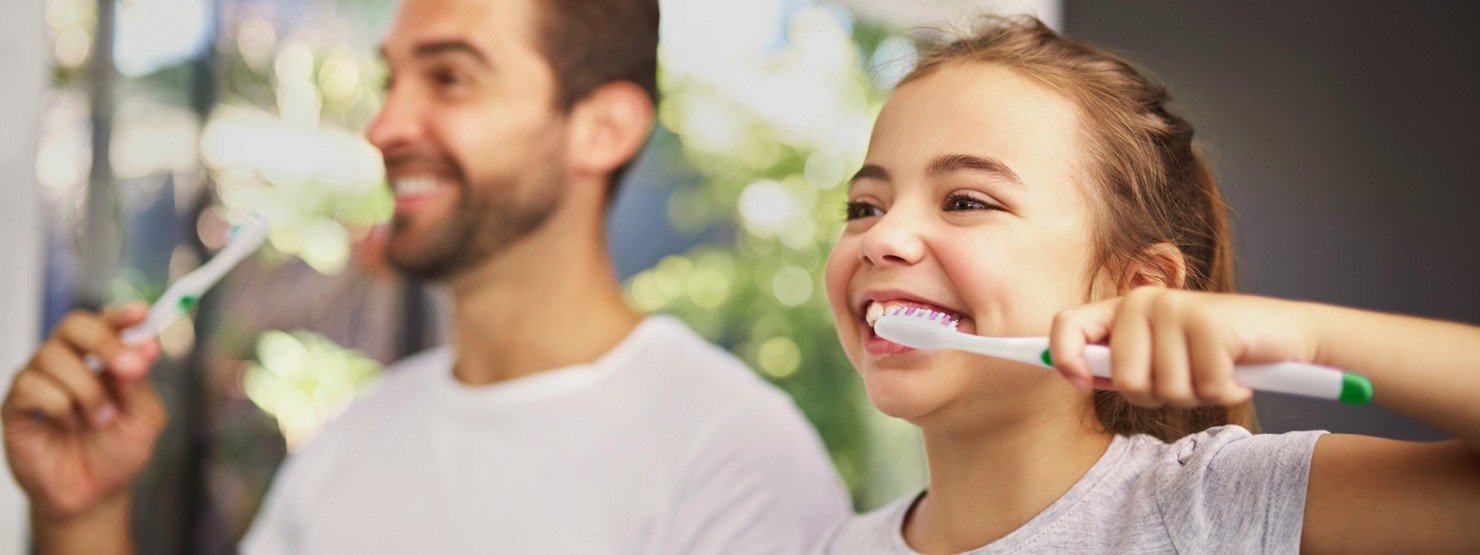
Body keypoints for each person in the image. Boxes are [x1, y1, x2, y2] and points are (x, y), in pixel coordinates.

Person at [2, 0, 850, 552]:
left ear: (602, 128)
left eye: (449, 77)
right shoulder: (355, 439)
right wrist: (79, 513)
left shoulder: (734, 461)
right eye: (390, 80)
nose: (385, 123)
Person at [815, 16, 1480, 554]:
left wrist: (1310, 333)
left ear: (1132, 287)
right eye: (864, 207)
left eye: (964, 201)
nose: (880, 237)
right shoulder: (837, 546)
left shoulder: (1224, 505)